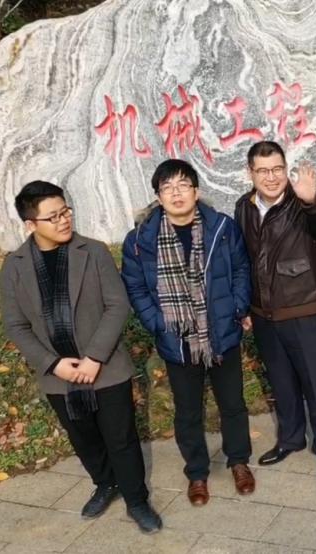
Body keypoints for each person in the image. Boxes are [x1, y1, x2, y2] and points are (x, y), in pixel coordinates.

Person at [0, 181, 162, 533]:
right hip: (58, 374)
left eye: (66, 211)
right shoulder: (14, 266)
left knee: (121, 438)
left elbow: (117, 305)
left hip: (105, 368)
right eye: (53, 216)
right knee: (83, 437)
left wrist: (94, 357)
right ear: (30, 224)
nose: (64, 220)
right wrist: (53, 363)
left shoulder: (93, 251)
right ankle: (105, 483)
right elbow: (15, 324)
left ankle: (136, 500)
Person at [121, 159, 255, 506]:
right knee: (188, 411)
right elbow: (135, 287)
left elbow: (241, 269)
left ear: (196, 191)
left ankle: (239, 461)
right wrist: (157, 322)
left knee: (233, 404)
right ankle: (197, 472)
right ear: (158, 196)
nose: (176, 193)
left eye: (183, 185)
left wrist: (237, 308)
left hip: (221, 331)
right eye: (167, 187)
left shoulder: (221, 227)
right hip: (176, 338)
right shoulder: (140, 240)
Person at [234, 141, 316, 485]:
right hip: (265, 314)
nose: (271, 177)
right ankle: (291, 439)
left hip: (304, 310)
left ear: (286, 169)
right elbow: (245, 260)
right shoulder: (244, 207)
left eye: (277, 169)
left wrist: (312, 199)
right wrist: (246, 306)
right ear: (250, 173)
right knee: (282, 384)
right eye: (263, 171)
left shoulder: (302, 203)